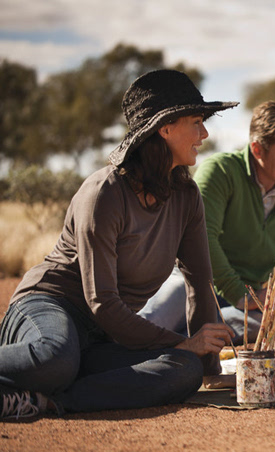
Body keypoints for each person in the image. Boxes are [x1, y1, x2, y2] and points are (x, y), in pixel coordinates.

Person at [0, 69, 237, 419]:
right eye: (196, 121)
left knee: (184, 369)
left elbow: (199, 284)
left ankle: (47, 402)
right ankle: (42, 376)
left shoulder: (186, 196)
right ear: (165, 127)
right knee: (56, 359)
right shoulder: (104, 192)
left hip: (104, 338)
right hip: (51, 307)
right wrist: (180, 342)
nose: (204, 134)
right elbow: (103, 303)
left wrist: (207, 365)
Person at [140, 100, 275, 341]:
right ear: (257, 150)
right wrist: (239, 294)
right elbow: (201, 238)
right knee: (148, 324)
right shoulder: (221, 171)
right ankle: (176, 336)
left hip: (247, 299)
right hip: (192, 283)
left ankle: (186, 337)